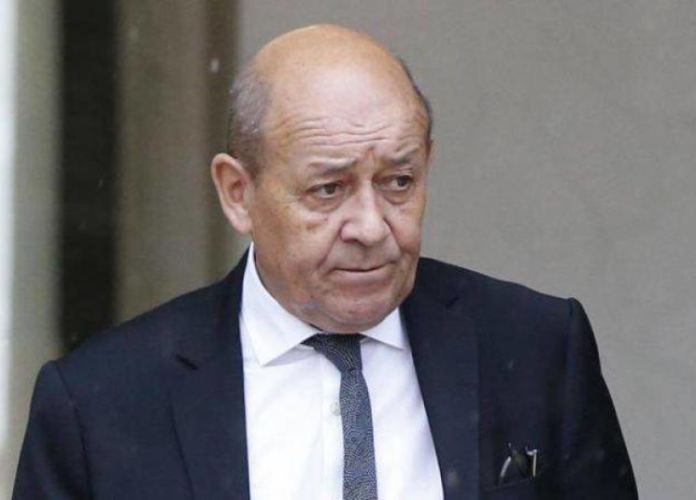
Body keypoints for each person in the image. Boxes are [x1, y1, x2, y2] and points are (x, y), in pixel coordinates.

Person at [13, 25, 637, 499]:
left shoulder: (536, 350)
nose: (371, 227)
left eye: (398, 182)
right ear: (238, 193)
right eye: (328, 189)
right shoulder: (101, 405)